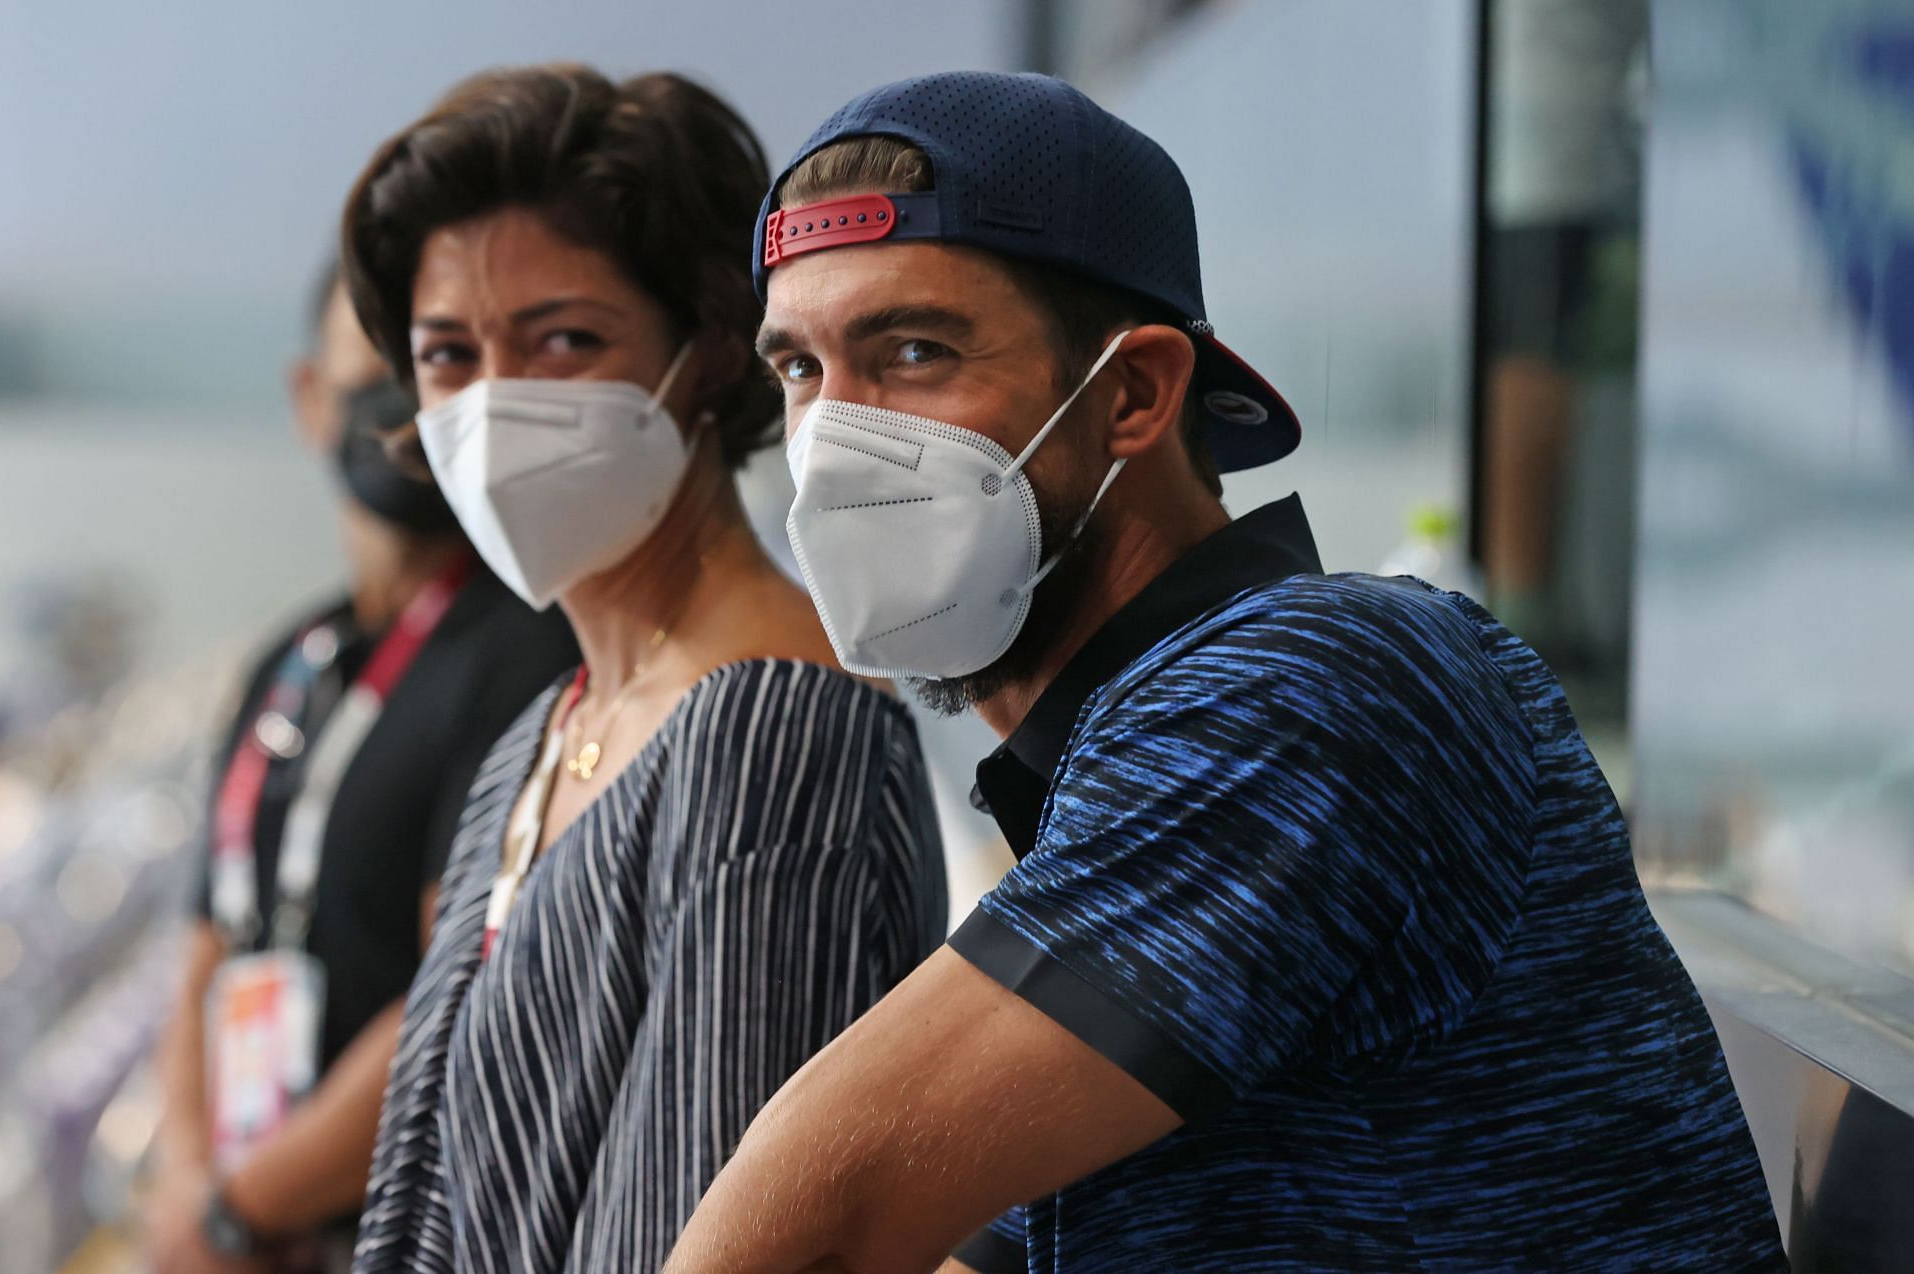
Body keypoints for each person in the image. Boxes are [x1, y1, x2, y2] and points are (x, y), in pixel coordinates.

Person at [665, 71, 1787, 1273]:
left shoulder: (1309, 687)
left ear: (1135, 392)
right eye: (800, 373)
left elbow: (823, 1218)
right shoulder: (1115, 765)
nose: (835, 445)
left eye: (916, 351)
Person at [340, 66, 947, 1273]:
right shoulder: (545, 733)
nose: (499, 399)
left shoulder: (771, 732)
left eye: (565, 338)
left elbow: (701, 1224)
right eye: (450, 353)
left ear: (713, 351)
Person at [143, 266, 579, 1273]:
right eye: (374, 369)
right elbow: (209, 935)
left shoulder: (529, 651)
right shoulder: (294, 658)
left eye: (435, 366)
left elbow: (461, 988)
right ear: (308, 397)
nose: (407, 403)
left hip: (399, 1231)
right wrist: (183, 1173)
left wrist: (241, 1209)